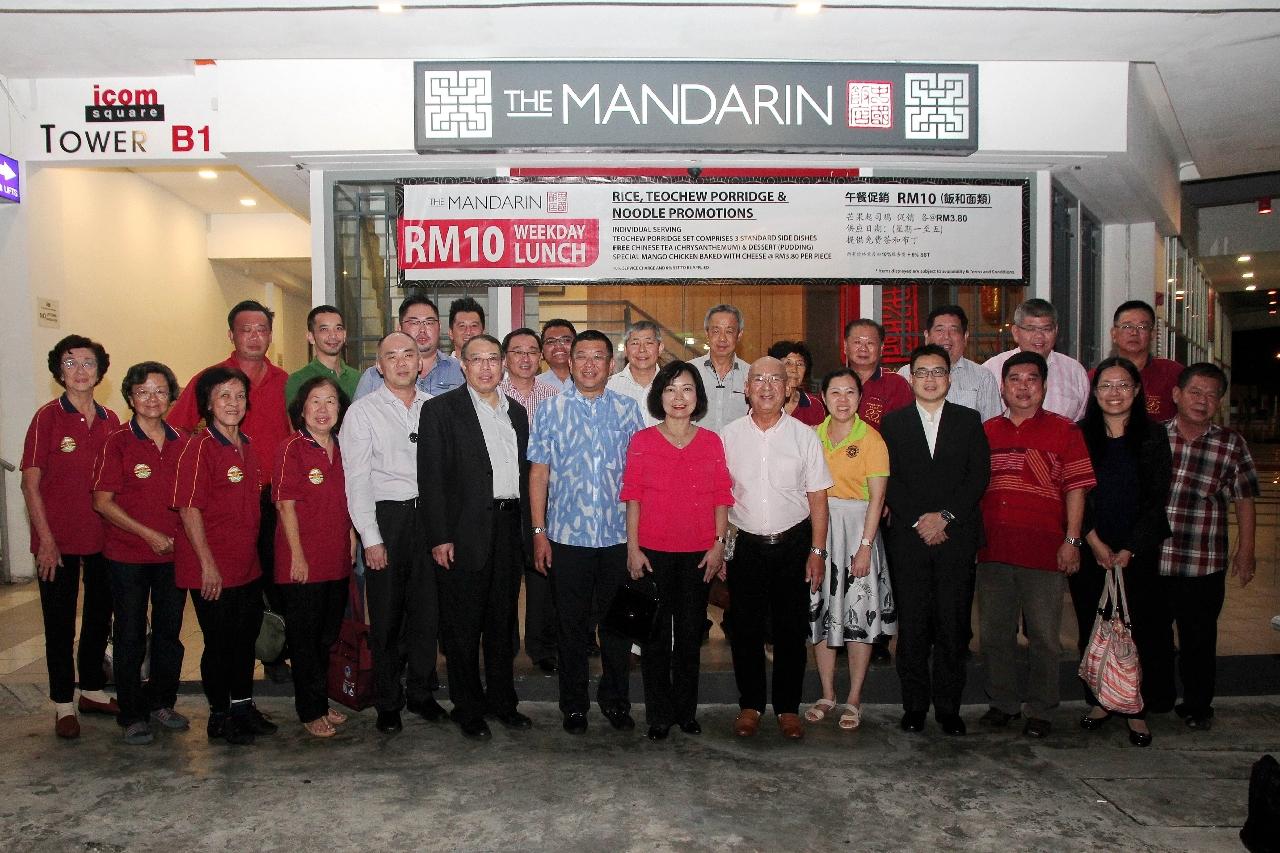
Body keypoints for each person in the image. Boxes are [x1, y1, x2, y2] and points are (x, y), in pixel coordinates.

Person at [168, 299, 292, 681]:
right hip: (223, 502)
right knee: (226, 591)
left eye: (261, 330)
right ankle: (227, 681)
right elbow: (175, 429)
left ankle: (272, 656)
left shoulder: (284, 381)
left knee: (271, 582)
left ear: (270, 335)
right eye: (246, 330)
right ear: (231, 335)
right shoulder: (211, 379)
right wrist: (200, 463)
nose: (254, 336)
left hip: (272, 499)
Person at [529, 330, 645, 734]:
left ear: (611, 365)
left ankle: (616, 701)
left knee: (617, 628)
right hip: (567, 539)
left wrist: (637, 540)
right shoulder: (550, 410)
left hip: (617, 538)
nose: (590, 364)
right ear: (570, 362)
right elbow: (538, 474)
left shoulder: (628, 410)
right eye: (582, 356)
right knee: (571, 627)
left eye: (598, 357)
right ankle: (574, 706)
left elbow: (638, 478)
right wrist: (539, 531)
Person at [419, 335, 534, 740]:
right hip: (462, 531)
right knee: (462, 625)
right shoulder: (440, 411)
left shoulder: (516, 412)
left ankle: (503, 702)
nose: (486, 367)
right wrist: (439, 537)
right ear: (463, 366)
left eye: (492, 359)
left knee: (502, 623)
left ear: (502, 365)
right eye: (476, 360)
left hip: (509, 527)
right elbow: (431, 479)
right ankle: (467, 707)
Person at [977, 351, 1095, 739]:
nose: (1023, 387)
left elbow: (1076, 489)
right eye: (1015, 379)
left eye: (1032, 379)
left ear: (1044, 387)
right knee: (995, 634)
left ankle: (1041, 709)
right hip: (993, 550)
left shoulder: (1065, 431)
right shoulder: (987, 431)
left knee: (1044, 636)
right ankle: (1003, 703)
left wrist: (1072, 540)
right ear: (1003, 387)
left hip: (1044, 551)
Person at [881, 345, 990, 736]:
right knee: (912, 626)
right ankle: (913, 706)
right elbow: (888, 478)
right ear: (911, 378)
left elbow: (978, 476)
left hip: (955, 537)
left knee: (952, 624)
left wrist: (945, 517)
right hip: (909, 539)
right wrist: (919, 520)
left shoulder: (968, 420)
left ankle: (948, 708)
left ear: (949, 378)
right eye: (922, 372)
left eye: (938, 372)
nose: (930, 379)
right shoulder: (893, 424)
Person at [722, 356, 833, 740]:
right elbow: (720, 499)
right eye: (759, 379)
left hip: (793, 544)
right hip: (745, 544)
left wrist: (817, 552)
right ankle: (750, 705)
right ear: (746, 388)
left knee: (790, 630)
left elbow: (818, 498)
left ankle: (787, 707)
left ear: (788, 388)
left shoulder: (805, 436)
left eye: (775, 380)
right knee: (745, 630)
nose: (766, 387)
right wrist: (721, 547)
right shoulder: (728, 436)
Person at [621, 360, 733, 741]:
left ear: (697, 396)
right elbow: (633, 498)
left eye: (686, 388)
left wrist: (718, 546)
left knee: (688, 637)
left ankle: (686, 712)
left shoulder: (711, 442)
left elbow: (721, 498)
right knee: (653, 637)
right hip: (652, 553)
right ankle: (658, 715)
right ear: (660, 396)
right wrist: (633, 549)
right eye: (670, 389)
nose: (678, 397)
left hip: (698, 555)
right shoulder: (642, 441)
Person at [342, 331, 446, 734]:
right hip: (387, 518)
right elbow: (357, 480)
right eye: (392, 356)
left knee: (427, 612)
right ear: (379, 366)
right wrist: (370, 538)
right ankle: (387, 700)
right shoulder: (363, 412)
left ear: (421, 363)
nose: (402, 362)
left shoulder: (435, 408)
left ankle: (420, 692)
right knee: (386, 616)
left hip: (430, 518)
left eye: (409, 354)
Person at [21, 335, 121, 739]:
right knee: (59, 623)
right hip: (57, 541)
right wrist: (45, 539)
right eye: (70, 363)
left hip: (104, 538)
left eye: (88, 363)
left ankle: (92, 690)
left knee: (99, 616)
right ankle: (63, 703)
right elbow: (30, 484)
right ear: (59, 372)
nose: (80, 371)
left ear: (100, 371)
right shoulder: (47, 418)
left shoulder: (112, 420)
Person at [171, 366, 276, 745]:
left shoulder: (246, 444)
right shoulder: (199, 447)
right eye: (224, 396)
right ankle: (219, 715)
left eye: (240, 396)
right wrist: (207, 565)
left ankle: (243, 706)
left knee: (245, 639)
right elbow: (189, 509)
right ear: (208, 403)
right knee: (220, 643)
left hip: (245, 564)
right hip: (211, 567)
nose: (233, 403)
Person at [1072, 357, 1172, 748]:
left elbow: (1156, 498)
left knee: (1140, 628)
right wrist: (1094, 541)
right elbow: (1074, 491)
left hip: (1138, 549)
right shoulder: (1080, 434)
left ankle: (1134, 707)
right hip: (1091, 545)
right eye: (1106, 386)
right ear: (1094, 393)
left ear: (1137, 390)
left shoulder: (1154, 436)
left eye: (1123, 385)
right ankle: (1100, 700)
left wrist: (1130, 547)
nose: (1114, 393)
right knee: (1092, 623)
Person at [1153, 362, 1259, 730]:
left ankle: (1198, 706)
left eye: (1212, 395)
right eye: (1195, 392)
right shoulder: (1154, 437)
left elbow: (1245, 499)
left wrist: (1246, 551)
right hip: (1154, 559)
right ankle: (1158, 698)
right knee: (1153, 636)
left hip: (1203, 561)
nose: (1202, 401)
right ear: (1176, 394)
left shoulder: (1231, 444)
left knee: (1199, 638)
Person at [91, 361, 189, 745]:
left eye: (160, 391)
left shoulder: (182, 441)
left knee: (169, 634)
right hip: (127, 555)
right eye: (143, 391)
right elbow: (102, 502)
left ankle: (162, 701)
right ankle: (132, 713)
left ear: (171, 396)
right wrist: (148, 534)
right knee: (130, 634)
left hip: (174, 557)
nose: (152, 399)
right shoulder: (117, 441)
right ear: (130, 397)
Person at [803, 368, 892, 733]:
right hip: (819, 531)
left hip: (858, 532)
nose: (843, 400)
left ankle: (854, 697)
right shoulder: (811, 436)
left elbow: (878, 499)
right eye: (835, 392)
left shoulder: (872, 439)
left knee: (858, 615)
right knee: (822, 611)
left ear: (860, 398)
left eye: (850, 392)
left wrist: (865, 547)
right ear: (823, 397)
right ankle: (827, 693)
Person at [272, 376, 355, 739]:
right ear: (302, 408)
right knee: (305, 641)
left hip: (335, 558)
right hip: (302, 563)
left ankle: (320, 700)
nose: (323, 409)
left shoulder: (343, 447)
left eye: (331, 401)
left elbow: (348, 501)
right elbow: (284, 505)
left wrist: (351, 538)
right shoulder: (291, 448)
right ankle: (310, 710)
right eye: (315, 401)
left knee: (326, 636)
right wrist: (296, 555)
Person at [498, 327, 560, 673]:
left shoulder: (555, 396)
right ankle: (504, 644)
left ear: (541, 357)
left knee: (542, 571)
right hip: (505, 496)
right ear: (505, 358)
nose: (525, 358)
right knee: (505, 574)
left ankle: (542, 646)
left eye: (532, 351)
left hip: (545, 494)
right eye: (517, 351)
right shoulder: (493, 395)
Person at [982, 298, 1090, 421]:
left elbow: (1080, 421)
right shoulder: (991, 370)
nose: (1039, 336)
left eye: (1046, 329)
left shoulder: (1074, 372)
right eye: (1031, 329)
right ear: (1015, 332)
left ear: (1056, 331)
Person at [896, 305, 1002, 421]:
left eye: (954, 330)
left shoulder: (983, 377)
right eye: (939, 330)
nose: (946, 336)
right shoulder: (905, 374)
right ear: (927, 336)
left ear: (965, 337)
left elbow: (993, 425)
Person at [353, 294, 464, 400]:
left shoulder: (460, 371)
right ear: (399, 328)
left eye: (429, 322)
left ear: (439, 327)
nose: (422, 330)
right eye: (414, 323)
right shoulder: (374, 377)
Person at [1097, 300, 1183, 421]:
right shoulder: (1097, 377)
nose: (1134, 332)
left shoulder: (1173, 373)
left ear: (1152, 334)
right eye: (1127, 326)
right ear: (1114, 334)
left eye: (1142, 327)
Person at [689, 304, 750, 434]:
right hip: (698, 445)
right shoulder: (689, 371)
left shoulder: (750, 375)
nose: (722, 338)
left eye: (729, 331)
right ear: (707, 333)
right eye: (716, 331)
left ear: (739, 335)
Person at [845, 318, 914, 431]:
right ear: (845, 346)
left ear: (881, 348)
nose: (863, 348)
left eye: (870, 343)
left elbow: (906, 429)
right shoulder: (835, 382)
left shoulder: (896, 384)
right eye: (857, 342)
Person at [286, 304, 360, 404]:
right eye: (324, 329)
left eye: (338, 328)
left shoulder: (358, 378)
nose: (333, 335)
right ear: (311, 337)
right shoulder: (298, 380)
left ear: (344, 335)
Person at [607, 320, 665, 427]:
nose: (642, 349)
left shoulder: (672, 386)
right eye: (635, 343)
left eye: (649, 343)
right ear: (625, 350)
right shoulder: (609, 387)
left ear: (660, 348)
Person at [768, 340, 827, 427]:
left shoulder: (814, 405)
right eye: (788, 363)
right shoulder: (765, 401)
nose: (794, 369)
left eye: (800, 364)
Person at [537, 318, 577, 390]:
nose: (558, 346)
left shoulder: (593, 381)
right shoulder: (533, 386)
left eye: (566, 340)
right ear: (542, 350)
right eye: (550, 341)